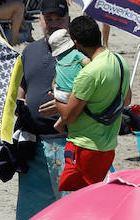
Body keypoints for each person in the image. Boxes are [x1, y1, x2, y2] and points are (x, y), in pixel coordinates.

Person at [54, 16, 130, 192]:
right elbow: (126, 100)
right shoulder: (119, 61)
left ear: (76, 43)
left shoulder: (88, 74)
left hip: (83, 147)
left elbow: (68, 116)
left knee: (76, 205)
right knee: (92, 200)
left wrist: (56, 98)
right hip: (108, 148)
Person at [14, 0, 71, 220]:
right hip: (33, 146)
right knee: (32, 219)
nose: (54, 23)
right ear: (40, 20)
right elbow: (22, 86)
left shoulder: (79, 52)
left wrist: (65, 108)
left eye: (59, 18)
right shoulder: (30, 51)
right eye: (49, 18)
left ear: (68, 19)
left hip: (67, 143)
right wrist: (21, 103)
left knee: (70, 214)